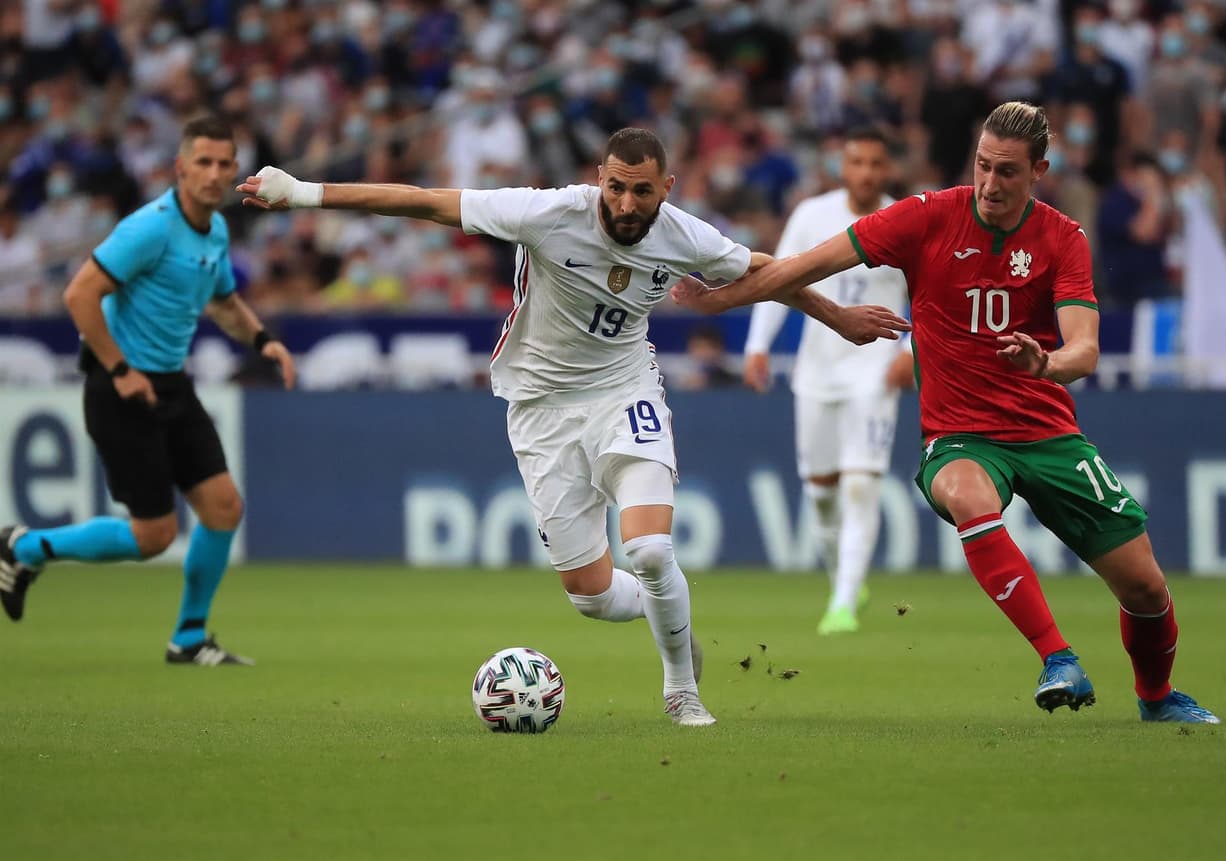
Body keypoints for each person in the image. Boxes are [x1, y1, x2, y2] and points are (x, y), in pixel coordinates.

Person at [237, 127, 908, 726]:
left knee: (648, 550)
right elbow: (423, 199)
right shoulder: (548, 213)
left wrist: (839, 317)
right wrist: (303, 192)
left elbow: (770, 270)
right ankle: (666, 614)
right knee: (590, 595)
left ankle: (682, 687)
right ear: (599, 178)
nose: (623, 203)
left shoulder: (684, 233)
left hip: (625, 390)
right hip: (540, 407)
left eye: (640, 192)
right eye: (614, 186)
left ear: (665, 188)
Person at [674, 103, 1219, 724]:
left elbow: (1086, 350)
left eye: (1008, 172)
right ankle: (1057, 657)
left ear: (1039, 170)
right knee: (965, 494)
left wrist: (1046, 365)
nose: (990, 183)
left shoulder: (1063, 237)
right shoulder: (928, 216)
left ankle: (1156, 698)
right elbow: (804, 266)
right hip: (960, 436)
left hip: (1049, 433)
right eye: (983, 166)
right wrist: (722, 303)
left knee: (1146, 588)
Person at [0, 117, 297, 667]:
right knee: (153, 535)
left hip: (170, 384)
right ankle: (23, 548)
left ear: (235, 170)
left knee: (224, 508)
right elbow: (80, 295)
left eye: (223, 163)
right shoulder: (150, 228)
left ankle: (188, 639)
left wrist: (263, 341)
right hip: (120, 388)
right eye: (202, 162)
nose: (212, 174)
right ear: (179, 168)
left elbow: (224, 303)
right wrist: (118, 371)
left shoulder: (215, 232)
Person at [743, 127, 912, 635]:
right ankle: (845, 577)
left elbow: (933, 297)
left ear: (887, 170)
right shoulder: (812, 216)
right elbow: (777, 278)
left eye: (874, 164)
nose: (865, 172)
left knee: (861, 484)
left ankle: (841, 604)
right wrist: (757, 344)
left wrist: (911, 351)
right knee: (820, 492)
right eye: (856, 161)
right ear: (843, 166)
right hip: (816, 372)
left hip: (875, 372)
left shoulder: (907, 222)